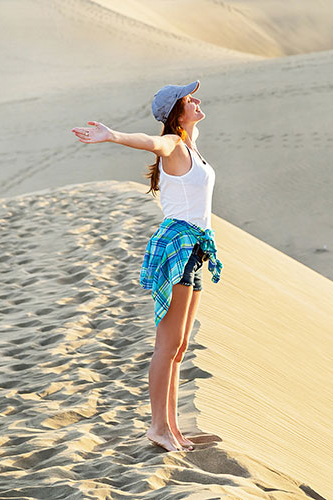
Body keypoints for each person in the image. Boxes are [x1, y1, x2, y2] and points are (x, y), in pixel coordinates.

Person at [71, 80, 223, 452]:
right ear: (175, 113)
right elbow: (152, 141)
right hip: (178, 247)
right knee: (167, 344)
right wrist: (112, 135)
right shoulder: (172, 143)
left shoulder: (190, 141)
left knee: (180, 344)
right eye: (191, 100)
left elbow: (181, 132)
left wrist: (188, 122)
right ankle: (158, 427)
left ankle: (172, 428)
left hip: (195, 248)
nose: (198, 101)